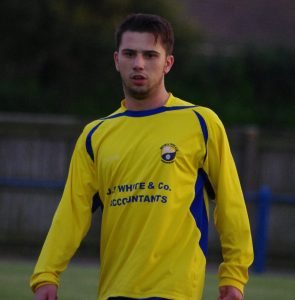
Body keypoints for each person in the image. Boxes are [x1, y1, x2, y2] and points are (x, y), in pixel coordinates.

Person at [30, 13, 253, 300]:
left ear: (167, 63)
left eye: (150, 55)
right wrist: (47, 273)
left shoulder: (201, 122)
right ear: (116, 60)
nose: (139, 63)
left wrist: (234, 275)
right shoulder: (95, 135)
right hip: (115, 290)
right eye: (130, 54)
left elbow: (230, 203)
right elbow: (72, 212)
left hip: (175, 289)